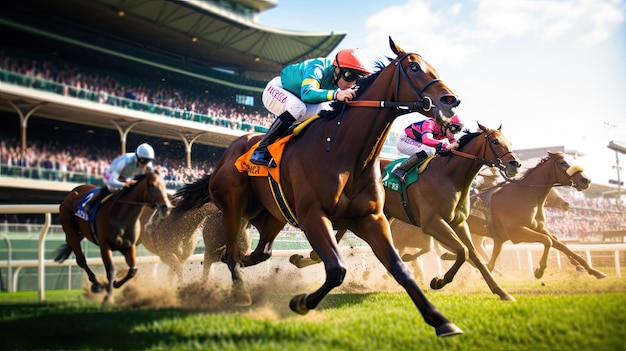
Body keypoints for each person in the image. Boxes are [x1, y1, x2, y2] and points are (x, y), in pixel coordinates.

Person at [250, 48, 372, 167]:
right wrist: (336, 94)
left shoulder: (340, 81)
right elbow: (307, 94)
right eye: (349, 75)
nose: (352, 83)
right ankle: (261, 149)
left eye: (358, 78)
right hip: (277, 89)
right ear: (337, 69)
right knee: (298, 107)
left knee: (327, 110)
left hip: (298, 99)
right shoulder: (318, 67)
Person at [83, 143, 155, 214]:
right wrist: (123, 184)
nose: (145, 165)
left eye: (148, 161)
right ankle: (89, 204)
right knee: (112, 189)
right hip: (110, 175)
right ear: (137, 157)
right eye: (143, 161)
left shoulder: (148, 164)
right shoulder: (126, 161)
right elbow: (112, 181)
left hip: (125, 177)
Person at [392, 114, 464, 183]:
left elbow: (454, 144)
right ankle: (400, 169)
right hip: (404, 140)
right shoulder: (430, 123)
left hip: (417, 142)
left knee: (435, 151)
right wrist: (444, 145)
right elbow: (426, 140)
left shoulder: (447, 131)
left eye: (457, 131)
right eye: (453, 130)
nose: (453, 134)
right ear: (445, 124)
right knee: (430, 150)